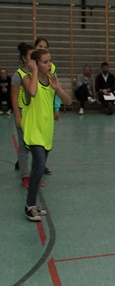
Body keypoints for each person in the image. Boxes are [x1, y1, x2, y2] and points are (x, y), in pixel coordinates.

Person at [21, 48, 72, 221]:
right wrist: (34, 72)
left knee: (38, 168)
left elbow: (68, 101)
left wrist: (57, 89)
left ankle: (32, 204)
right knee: (40, 165)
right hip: (33, 130)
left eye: (50, 61)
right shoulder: (27, 79)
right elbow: (33, 92)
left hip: (46, 131)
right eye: (45, 62)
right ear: (35, 64)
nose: (49, 64)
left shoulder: (51, 80)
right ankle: (29, 206)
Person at [11, 43, 39, 188]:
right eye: (30, 56)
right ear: (23, 58)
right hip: (24, 113)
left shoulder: (37, 73)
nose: (33, 59)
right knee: (23, 146)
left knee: (37, 146)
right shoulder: (18, 75)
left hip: (36, 113)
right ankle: (25, 176)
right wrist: (17, 116)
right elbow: (14, 97)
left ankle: (36, 174)